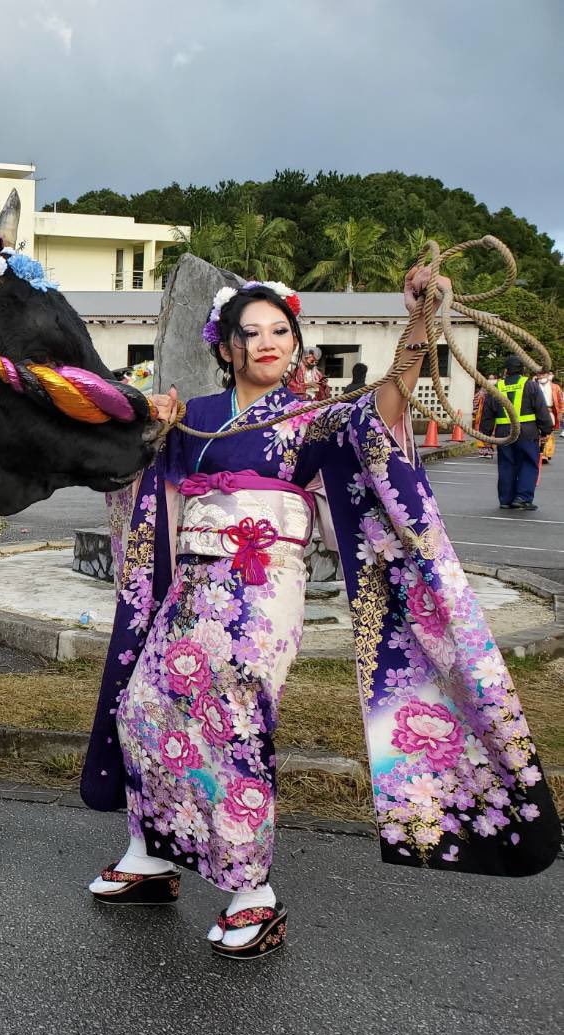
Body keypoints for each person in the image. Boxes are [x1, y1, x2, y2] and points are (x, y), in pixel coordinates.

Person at [84, 270, 558, 960]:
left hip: (259, 593)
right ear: (225, 347)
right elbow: (145, 487)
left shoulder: (313, 418)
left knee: (235, 720)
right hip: (188, 590)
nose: (267, 342)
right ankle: (151, 853)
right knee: (145, 709)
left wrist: (419, 324)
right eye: (250, 333)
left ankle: (253, 895)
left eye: (279, 331)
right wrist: (143, 428)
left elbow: (387, 408)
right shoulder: (192, 417)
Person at [479, 354, 554, 510]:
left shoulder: (497, 387)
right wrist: (546, 429)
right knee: (528, 462)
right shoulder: (530, 385)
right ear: (522, 370)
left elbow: (487, 413)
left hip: (504, 433)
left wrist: (485, 434)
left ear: (506, 371)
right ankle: (522, 497)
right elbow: (541, 409)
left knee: (506, 464)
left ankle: (506, 500)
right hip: (527, 431)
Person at [539, 369, 562, 465]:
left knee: (549, 433)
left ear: (548, 375)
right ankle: (538, 453)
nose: (541, 376)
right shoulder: (533, 385)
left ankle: (546, 454)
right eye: (539, 374)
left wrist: (560, 412)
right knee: (538, 433)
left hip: (550, 412)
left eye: (543, 374)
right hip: (537, 413)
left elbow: (560, 401)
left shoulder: (555, 387)